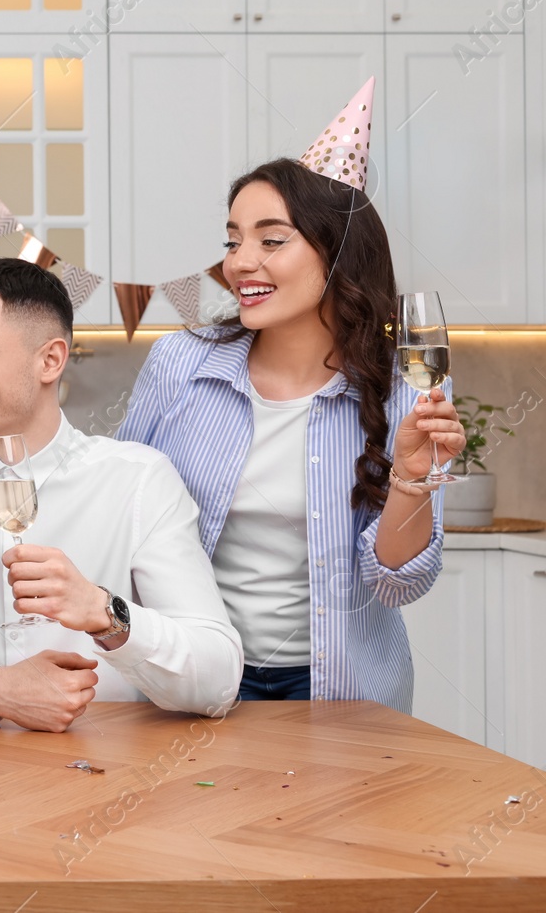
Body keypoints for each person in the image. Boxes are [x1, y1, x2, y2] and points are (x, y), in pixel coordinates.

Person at [116, 79, 462, 711]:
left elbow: (398, 583)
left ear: (338, 255)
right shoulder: (180, 363)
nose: (240, 261)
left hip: (340, 690)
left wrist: (413, 479)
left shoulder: (406, 385)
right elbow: (115, 515)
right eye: (232, 240)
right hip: (191, 675)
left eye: (271, 240)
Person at [0, 259, 241, 731]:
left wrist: (107, 615)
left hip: (105, 769)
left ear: (51, 360)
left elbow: (219, 683)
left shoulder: (139, 479)